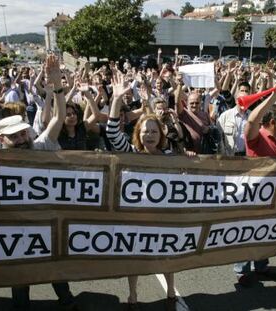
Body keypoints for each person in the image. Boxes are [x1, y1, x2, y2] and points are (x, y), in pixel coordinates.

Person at [0, 54, 77, 311]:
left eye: (22, 133)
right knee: (20, 277)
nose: (20, 139)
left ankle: (66, 301)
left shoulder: (39, 147)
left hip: (46, 224)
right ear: (1, 141)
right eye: (12, 137)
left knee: (53, 268)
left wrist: (58, 87)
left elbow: (59, 117)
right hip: (13, 231)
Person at [106, 70, 182, 311]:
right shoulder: (130, 153)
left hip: (163, 216)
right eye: (145, 131)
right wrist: (117, 99)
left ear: (161, 135)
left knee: (167, 254)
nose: (149, 134)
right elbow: (110, 133)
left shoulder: (169, 156)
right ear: (137, 134)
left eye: (154, 131)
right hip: (135, 216)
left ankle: (171, 289)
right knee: (135, 257)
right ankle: (133, 294)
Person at [234, 82, 276, 287]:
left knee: (265, 231)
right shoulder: (257, 137)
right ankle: (242, 270)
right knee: (247, 232)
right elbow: (252, 119)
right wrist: (273, 95)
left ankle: (261, 265)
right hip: (254, 195)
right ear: (273, 121)